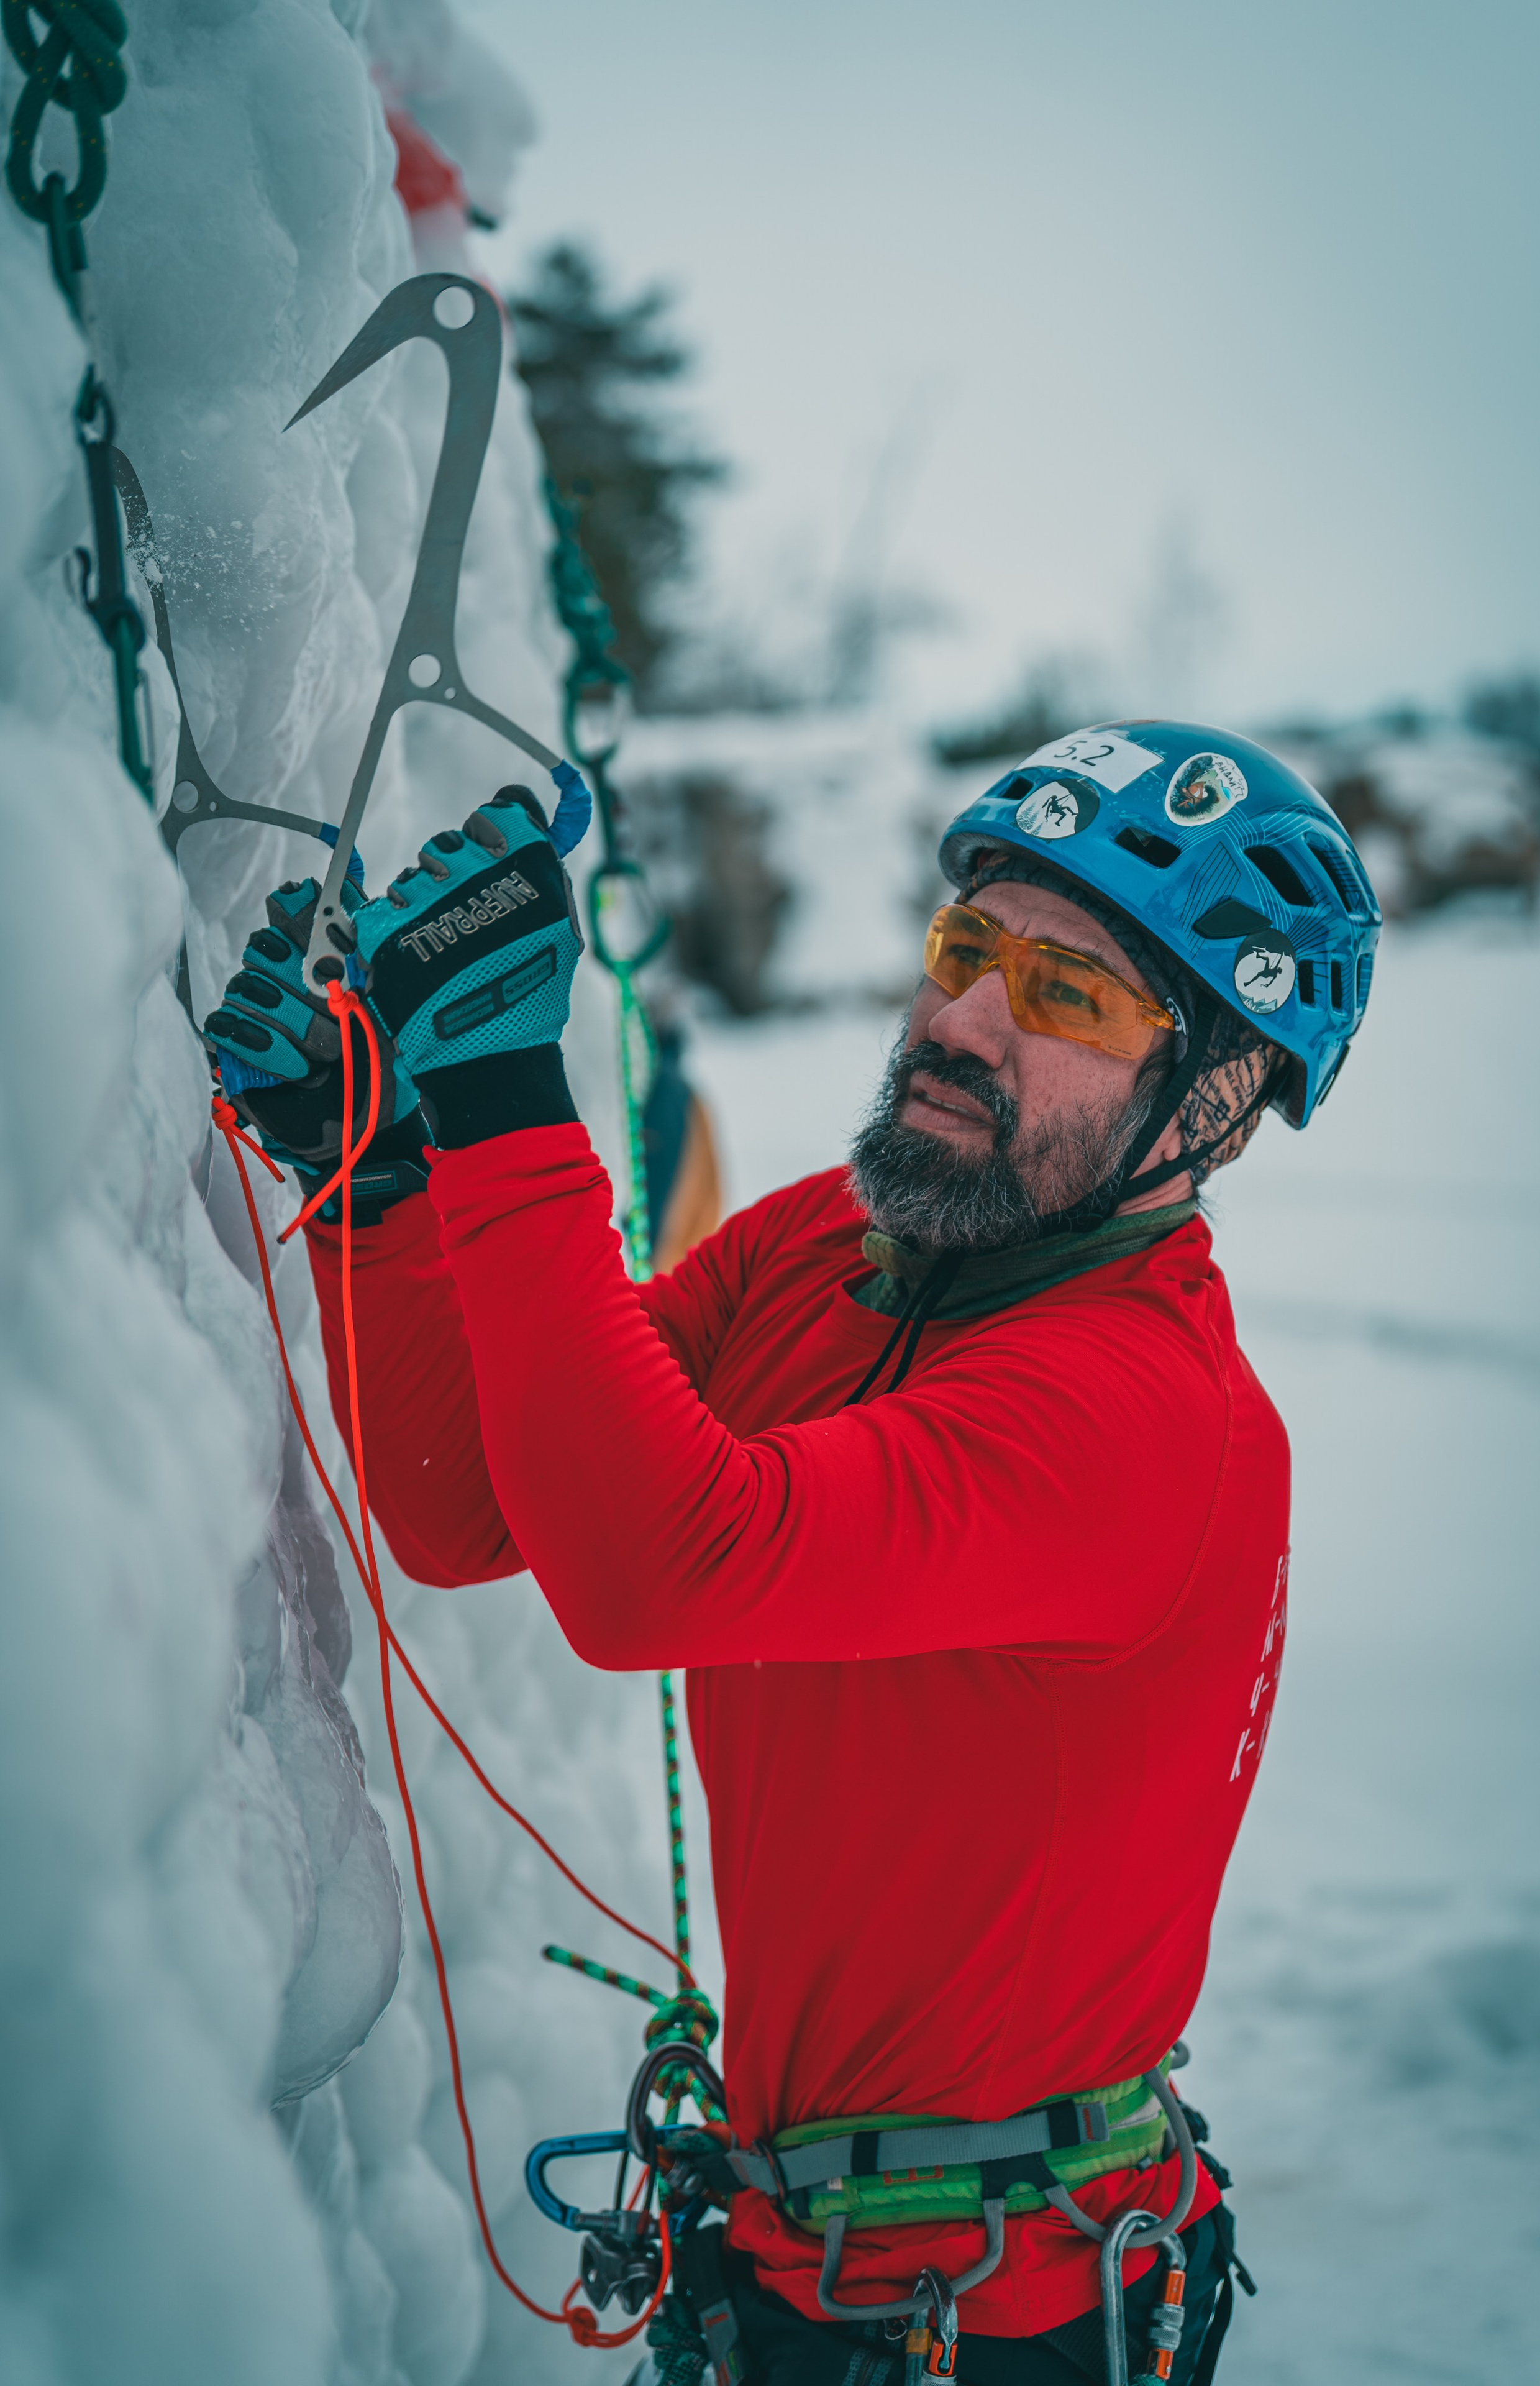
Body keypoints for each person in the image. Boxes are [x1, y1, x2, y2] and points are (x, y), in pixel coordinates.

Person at [206, 721, 1380, 2384]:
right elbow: (469, 1504)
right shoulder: (834, 1251)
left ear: (1222, 1100)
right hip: (809, 2265)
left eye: (1073, 995)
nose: (963, 1019)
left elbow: (655, 1575)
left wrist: (497, 1087)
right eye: (967, 948)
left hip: (997, 2317)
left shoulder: (1147, 1418)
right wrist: (383, 1178)